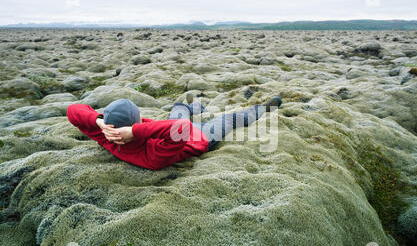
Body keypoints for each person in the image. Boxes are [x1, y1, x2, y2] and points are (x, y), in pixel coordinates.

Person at [67, 95, 282, 170]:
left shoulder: (105, 137)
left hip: (167, 128)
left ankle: (198, 108)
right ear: (138, 122)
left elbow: (73, 110)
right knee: (229, 119)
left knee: (180, 107)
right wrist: (136, 130)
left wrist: (97, 121)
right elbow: (183, 130)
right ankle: (263, 109)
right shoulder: (152, 155)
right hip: (201, 137)